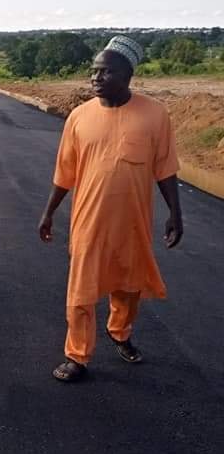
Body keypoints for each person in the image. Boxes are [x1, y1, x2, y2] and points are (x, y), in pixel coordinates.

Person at [39, 35, 183, 382]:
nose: (96, 79)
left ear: (127, 75)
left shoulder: (154, 114)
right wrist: (49, 212)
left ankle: (120, 332)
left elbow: (165, 167)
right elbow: (65, 171)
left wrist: (175, 214)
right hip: (89, 223)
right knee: (80, 292)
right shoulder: (78, 117)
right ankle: (77, 355)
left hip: (134, 222)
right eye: (94, 72)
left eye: (106, 72)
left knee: (129, 286)